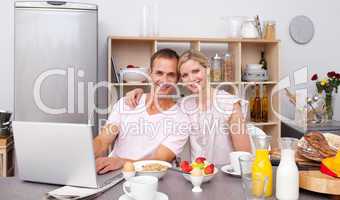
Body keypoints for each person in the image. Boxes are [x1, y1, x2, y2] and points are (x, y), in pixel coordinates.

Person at [125, 49, 251, 165]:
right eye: (185, 75)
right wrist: (139, 92)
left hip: (225, 176)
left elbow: (245, 156)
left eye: (196, 71)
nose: (191, 79)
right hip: (194, 177)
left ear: (207, 69)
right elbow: (159, 101)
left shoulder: (229, 104)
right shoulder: (184, 104)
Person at [93, 49, 191, 174]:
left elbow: (158, 161)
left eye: (171, 75)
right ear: (150, 73)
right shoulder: (126, 103)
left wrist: (121, 162)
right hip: (112, 172)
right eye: (159, 73)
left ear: (178, 79)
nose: (164, 80)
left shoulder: (181, 120)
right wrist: (82, 157)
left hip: (150, 176)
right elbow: (102, 141)